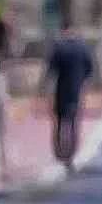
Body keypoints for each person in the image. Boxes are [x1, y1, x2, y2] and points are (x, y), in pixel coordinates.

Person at [42, 21, 94, 171]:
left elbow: (51, 71)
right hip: (76, 90)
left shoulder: (59, 48)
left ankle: (59, 152)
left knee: (59, 122)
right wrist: (83, 82)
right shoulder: (83, 48)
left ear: (63, 31)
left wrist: (46, 90)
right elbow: (90, 69)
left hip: (60, 90)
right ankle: (70, 155)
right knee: (73, 123)